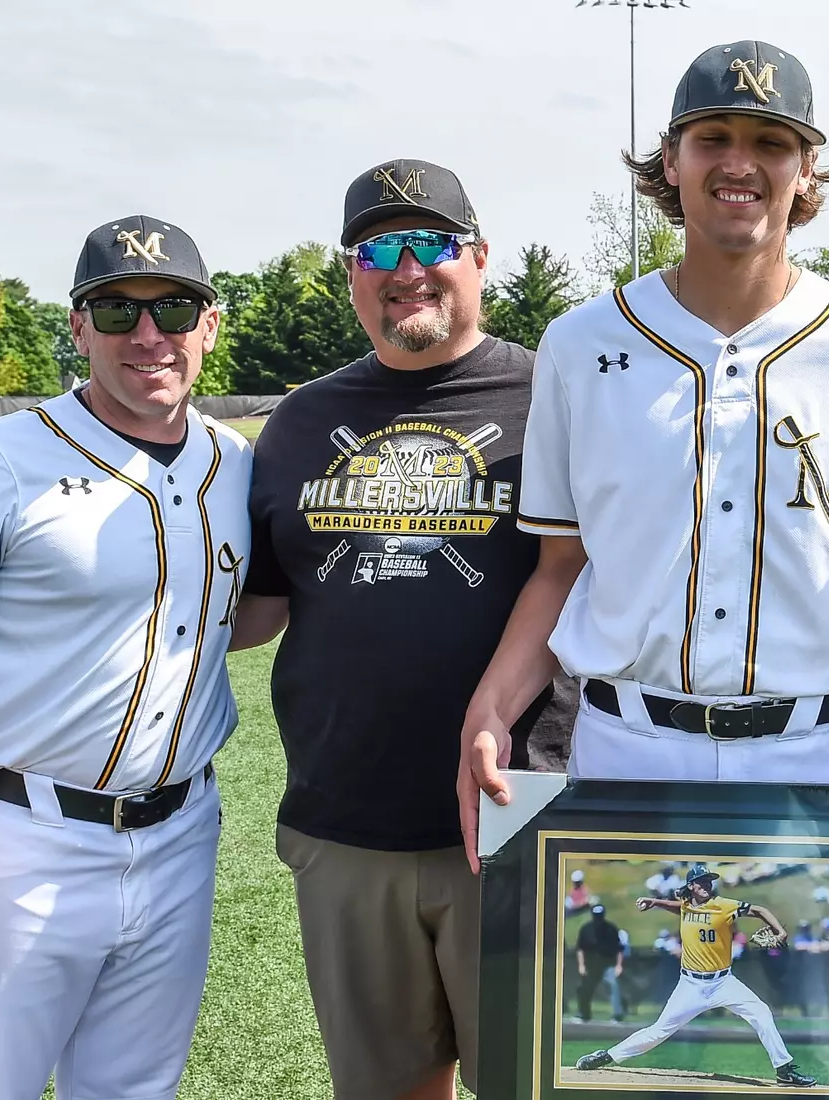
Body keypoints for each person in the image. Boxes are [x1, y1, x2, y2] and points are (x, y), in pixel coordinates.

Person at [459, 39, 829, 889]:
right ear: (671, 159)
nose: (741, 163)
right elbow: (560, 566)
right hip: (625, 749)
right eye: (713, 136)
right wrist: (492, 705)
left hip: (821, 755)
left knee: (813, 1021)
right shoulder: (581, 345)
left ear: (807, 170)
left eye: (771, 142)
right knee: (617, 1016)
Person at [0, 215, 252, 1100]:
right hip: (21, 844)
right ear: (78, 329)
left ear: (209, 324)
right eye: (117, 311)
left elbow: (241, 615)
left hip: (182, 835)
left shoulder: (235, 464)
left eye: (173, 308)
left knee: (135, 1091)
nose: (149, 335)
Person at [229, 158, 575, 1100]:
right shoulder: (302, 421)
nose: (406, 268)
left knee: (536, 1081)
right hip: (347, 825)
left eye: (430, 243)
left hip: (519, 811)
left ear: (479, 258)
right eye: (377, 248)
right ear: (351, 272)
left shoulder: (559, 398)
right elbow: (257, 607)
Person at [576, 863, 815, 1086]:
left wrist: (780, 932)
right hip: (690, 985)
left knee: (761, 1013)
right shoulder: (686, 906)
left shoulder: (724, 905)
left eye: (709, 881)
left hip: (723, 982)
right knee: (659, 1031)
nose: (707, 885)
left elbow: (760, 910)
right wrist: (655, 902)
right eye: (701, 881)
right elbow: (680, 908)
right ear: (691, 885)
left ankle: (784, 1070)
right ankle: (607, 1056)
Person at [574, 904, 625, 1022]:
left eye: (600, 916)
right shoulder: (586, 929)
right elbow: (580, 948)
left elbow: (619, 949)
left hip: (608, 964)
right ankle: (583, 1013)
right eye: (596, 916)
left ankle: (617, 1015)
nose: (598, 919)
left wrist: (619, 965)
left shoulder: (611, 929)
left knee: (613, 985)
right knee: (585, 988)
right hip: (591, 965)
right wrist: (581, 965)